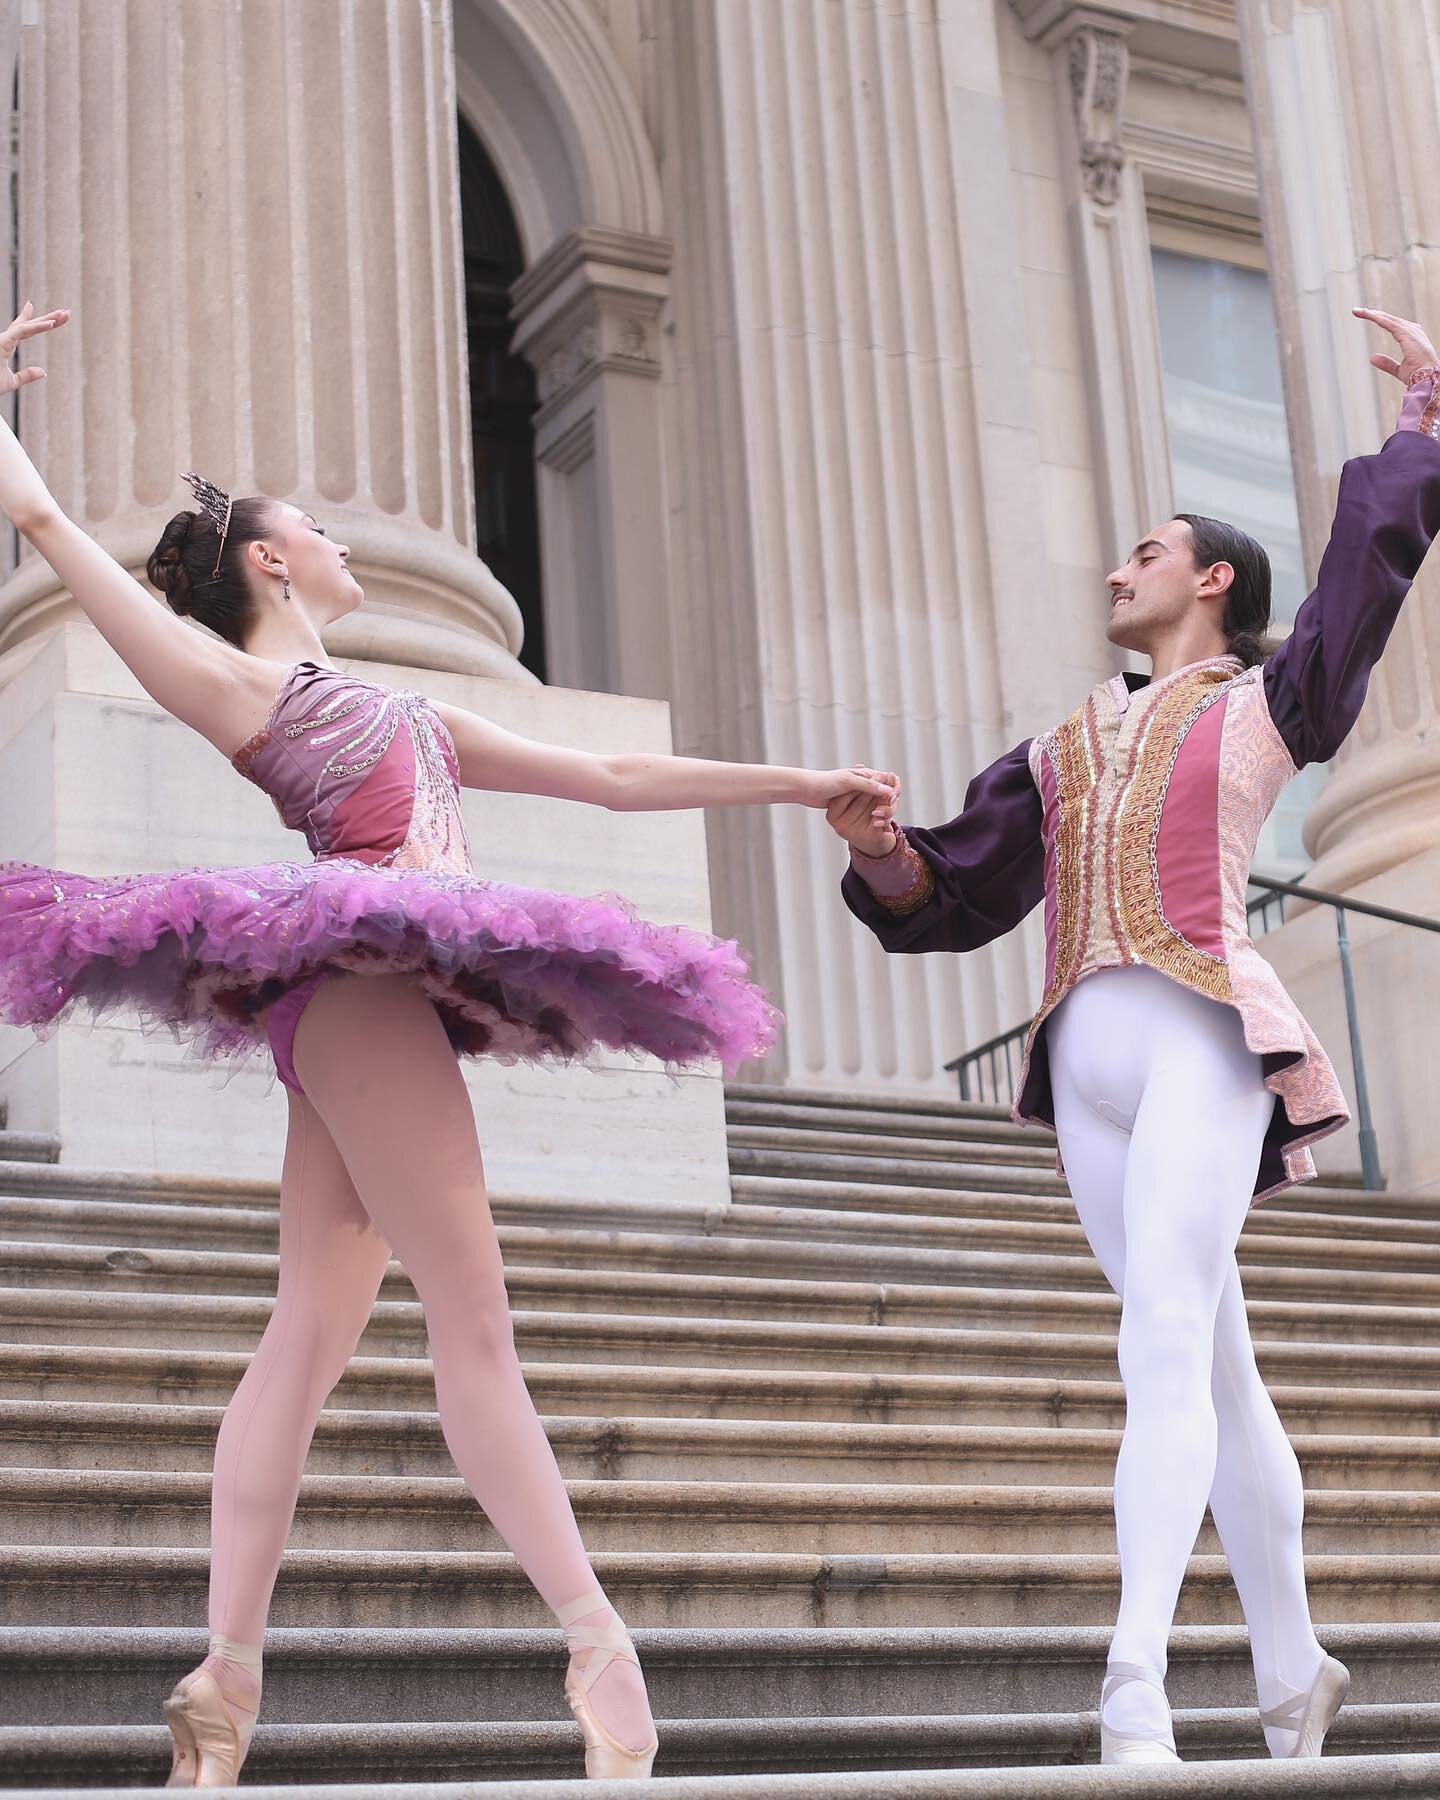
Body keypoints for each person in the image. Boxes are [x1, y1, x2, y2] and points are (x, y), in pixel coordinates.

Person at [0, 301, 898, 1787]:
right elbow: (40, 519)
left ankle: (225, 1682)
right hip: (354, 990)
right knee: (469, 1326)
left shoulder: (403, 706)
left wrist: (801, 785)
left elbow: (611, 773)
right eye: (320, 530)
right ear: (271, 562)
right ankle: (597, 1643)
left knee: (310, 1332)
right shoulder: (237, 685)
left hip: (363, 1006)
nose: (347, 545)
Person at [832, 308, 1440, 1765]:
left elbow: (1372, 564)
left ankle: (1135, 1687)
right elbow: (956, 885)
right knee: (1214, 1363)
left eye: (1147, 552)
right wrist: (876, 849)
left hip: (1204, 1040)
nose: (1118, 567)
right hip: (1084, 1065)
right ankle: (1294, 1672)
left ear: (1212, 578)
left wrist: (1425, 414)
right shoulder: (1057, 744)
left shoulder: (1275, 699)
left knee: (1164, 1336)